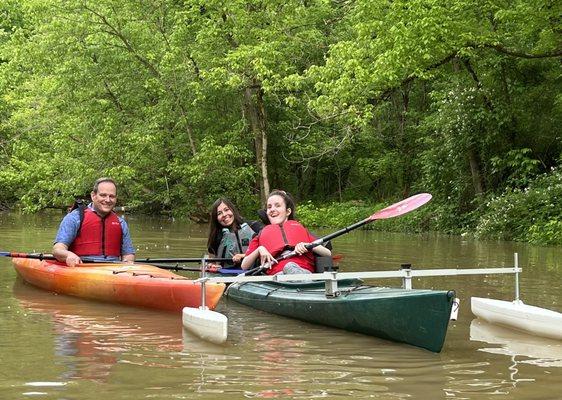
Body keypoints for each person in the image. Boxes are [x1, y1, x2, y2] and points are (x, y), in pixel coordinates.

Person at [241, 190, 331, 275]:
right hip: (277, 275)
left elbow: (327, 253)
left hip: (303, 271)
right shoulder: (260, 235)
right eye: (269, 207)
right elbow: (244, 265)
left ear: (288, 211)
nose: (272, 209)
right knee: (287, 268)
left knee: (290, 267)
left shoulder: (300, 229)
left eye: (277, 205)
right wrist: (259, 249)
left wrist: (307, 245)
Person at [53, 177, 135, 267]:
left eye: (112, 196)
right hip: (82, 267)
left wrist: (127, 262)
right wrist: (69, 255)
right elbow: (58, 250)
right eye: (103, 195)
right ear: (93, 196)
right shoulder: (74, 218)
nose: (108, 200)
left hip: (113, 269)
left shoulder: (121, 223)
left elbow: (128, 254)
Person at [206, 198, 263, 270]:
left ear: (232, 210)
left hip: (254, 272)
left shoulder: (254, 226)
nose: (224, 214)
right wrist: (211, 265)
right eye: (219, 213)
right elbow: (211, 259)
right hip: (227, 275)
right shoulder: (216, 235)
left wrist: (243, 256)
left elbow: (267, 248)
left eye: (226, 210)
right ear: (216, 218)